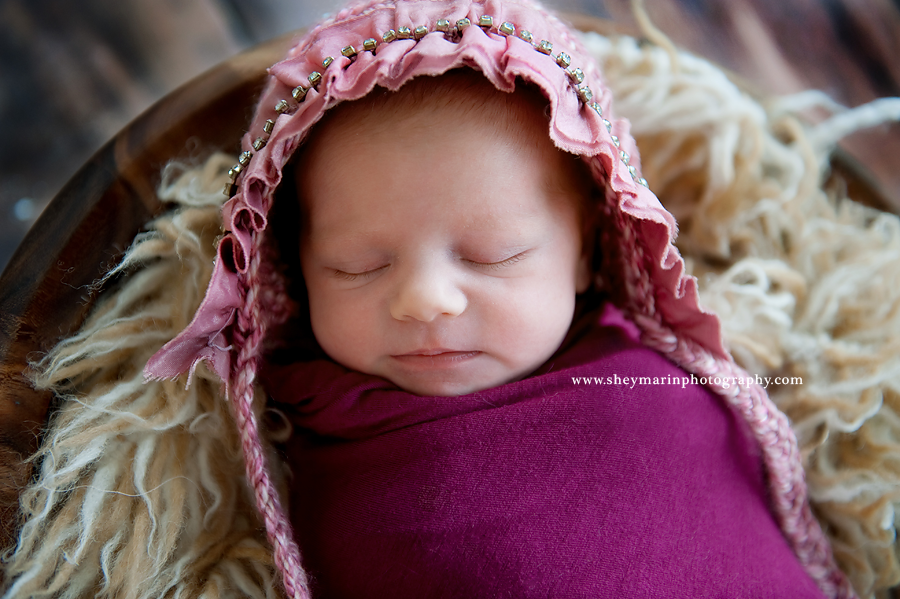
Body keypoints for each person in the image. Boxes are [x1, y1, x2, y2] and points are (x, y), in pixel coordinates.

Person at [9, 0, 891, 597]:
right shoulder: (316, 415)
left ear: (590, 249)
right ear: (286, 274)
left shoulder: (640, 371)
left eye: (494, 254)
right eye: (358, 264)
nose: (427, 299)